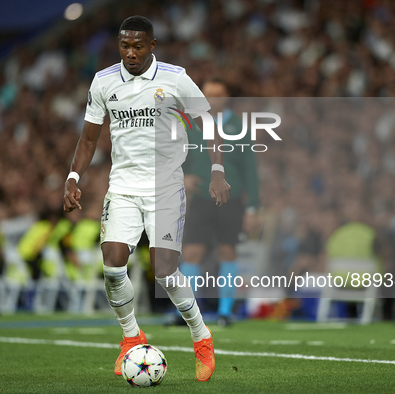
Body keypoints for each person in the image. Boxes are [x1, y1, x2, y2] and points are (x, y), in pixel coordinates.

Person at [63, 15, 230, 382]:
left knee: (166, 272)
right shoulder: (104, 82)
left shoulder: (175, 78)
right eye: (125, 46)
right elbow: (89, 139)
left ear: (152, 46)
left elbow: (208, 124)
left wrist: (218, 171)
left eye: (138, 46)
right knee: (112, 263)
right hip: (122, 187)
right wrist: (73, 178)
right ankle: (130, 337)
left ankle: (201, 336)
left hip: (167, 187)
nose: (131, 53)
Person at [180, 77, 259, 327]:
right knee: (191, 252)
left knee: (228, 251)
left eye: (218, 94)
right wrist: (183, 176)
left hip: (231, 199)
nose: (212, 99)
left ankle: (225, 312)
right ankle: (189, 314)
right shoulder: (191, 126)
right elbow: (176, 157)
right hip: (201, 198)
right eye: (208, 94)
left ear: (227, 98)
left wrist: (253, 208)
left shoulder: (240, 127)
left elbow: (250, 171)